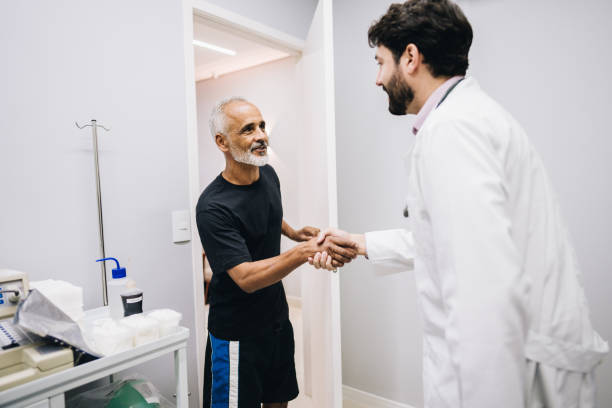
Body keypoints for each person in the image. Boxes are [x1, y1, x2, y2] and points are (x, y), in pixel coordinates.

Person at [310, 1, 608, 407]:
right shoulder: (466, 118)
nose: (377, 79)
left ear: (411, 58)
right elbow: (449, 243)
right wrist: (360, 243)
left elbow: (483, 296)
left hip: (510, 375)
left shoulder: (453, 132)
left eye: (380, 62)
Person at [196, 97, 357, 408]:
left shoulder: (268, 175)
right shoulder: (213, 207)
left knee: (279, 400)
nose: (261, 136)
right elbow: (245, 278)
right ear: (222, 142)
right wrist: (303, 253)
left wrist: (293, 233)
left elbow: (265, 214)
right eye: (248, 129)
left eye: (262, 126)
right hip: (236, 335)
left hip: (276, 321)